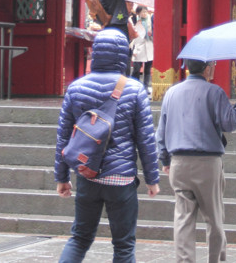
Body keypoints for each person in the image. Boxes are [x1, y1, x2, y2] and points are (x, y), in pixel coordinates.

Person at [54, 30, 160, 262]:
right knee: (123, 245)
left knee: (80, 238)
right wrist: (152, 178)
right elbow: (145, 139)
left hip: (87, 174)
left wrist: (62, 177)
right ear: (123, 55)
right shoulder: (134, 90)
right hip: (121, 179)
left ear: (96, 53)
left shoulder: (75, 88)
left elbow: (64, 137)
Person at [157, 59, 236, 263]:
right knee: (214, 217)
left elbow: (161, 131)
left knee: (183, 219)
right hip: (207, 162)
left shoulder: (171, 93)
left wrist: (164, 158)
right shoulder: (214, 92)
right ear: (208, 68)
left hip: (178, 163)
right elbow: (230, 122)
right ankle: (215, 259)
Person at [129, 5, 154, 91]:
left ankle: (145, 87)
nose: (144, 14)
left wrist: (151, 34)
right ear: (138, 13)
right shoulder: (134, 20)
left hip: (149, 45)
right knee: (136, 68)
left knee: (148, 69)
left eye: (145, 12)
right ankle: (134, 86)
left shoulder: (150, 20)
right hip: (138, 46)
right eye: (142, 12)